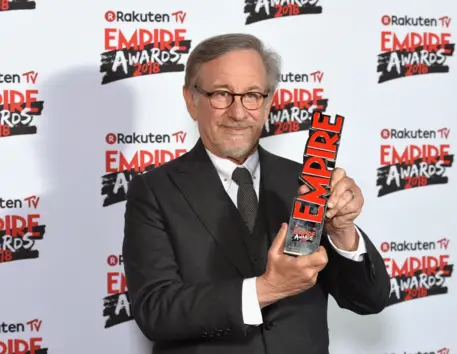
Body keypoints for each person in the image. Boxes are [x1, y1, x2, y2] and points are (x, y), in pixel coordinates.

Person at [122, 33, 390, 354]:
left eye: (252, 95)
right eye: (221, 94)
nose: (238, 113)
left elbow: (368, 299)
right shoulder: (154, 191)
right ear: (191, 100)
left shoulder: (305, 181)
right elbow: (156, 311)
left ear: (268, 103)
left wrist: (342, 231)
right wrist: (266, 289)